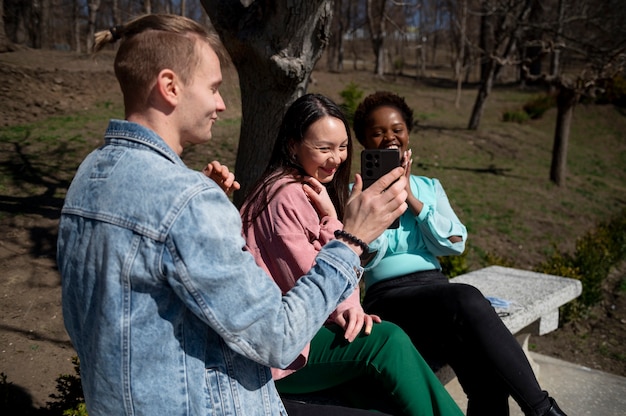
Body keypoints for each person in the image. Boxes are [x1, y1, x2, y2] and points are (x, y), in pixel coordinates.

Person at [56, 15, 409, 416]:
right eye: (213, 88)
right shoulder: (186, 200)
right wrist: (349, 240)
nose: (221, 104)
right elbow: (278, 336)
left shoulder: (91, 174)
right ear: (170, 87)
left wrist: (206, 212)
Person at [239, 93, 464, 416]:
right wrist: (335, 225)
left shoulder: (298, 187)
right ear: (292, 146)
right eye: (324, 148)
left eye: (342, 147)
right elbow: (318, 286)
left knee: (383, 389)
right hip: (277, 352)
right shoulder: (286, 196)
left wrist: (332, 217)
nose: (337, 158)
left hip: (289, 336)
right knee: (388, 341)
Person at [352, 91, 568, 416]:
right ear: (364, 141)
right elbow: (363, 257)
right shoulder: (358, 194)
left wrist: (411, 198)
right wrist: (383, 201)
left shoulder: (429, 187)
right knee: (467, 298)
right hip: (390, 300)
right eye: (378, 132)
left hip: (438, 295)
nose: (389, 138)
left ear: (408, 132)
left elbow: (454, 242)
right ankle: (543, 411)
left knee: (487, 378)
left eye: (396, 129)